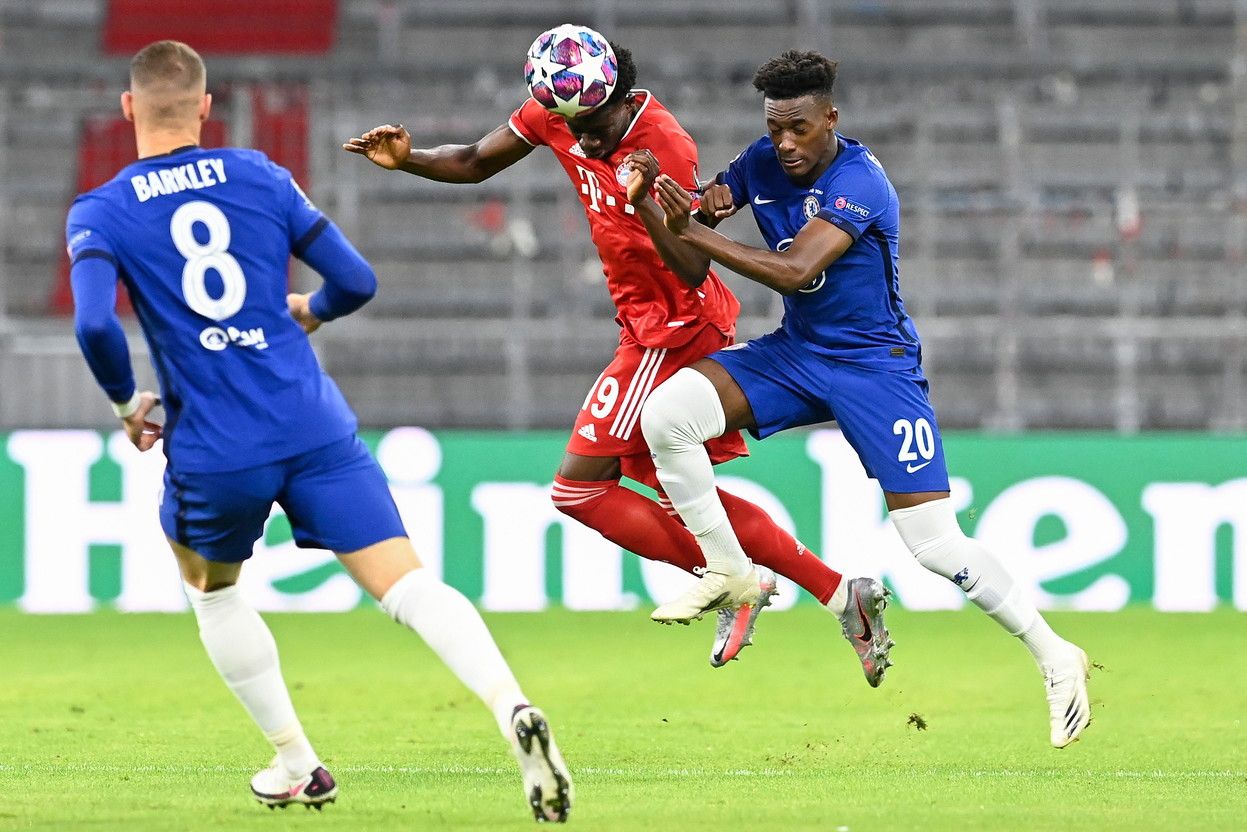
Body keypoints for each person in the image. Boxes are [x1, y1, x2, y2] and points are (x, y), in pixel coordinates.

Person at [67, 40, 572, 820]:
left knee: (212, 592)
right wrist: (312, 309)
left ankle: (297, 762)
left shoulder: (101, 210)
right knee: (408, 584)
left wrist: (124, 403)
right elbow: (356, 280)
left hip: (217, 443)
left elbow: (96, 324)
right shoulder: (261, 176)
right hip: (311, 423)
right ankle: (513, 707)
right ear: (207, 107)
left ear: (129, 107)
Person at [343, 27, 892, 681]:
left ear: (620, 98)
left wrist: (646, 203)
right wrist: (409, 159)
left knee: (579, 489)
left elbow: (691, 264)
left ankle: (736, 581)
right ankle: (835, 594)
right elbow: (473, 160)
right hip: (641, 325)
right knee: (675, 493)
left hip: (674, 326)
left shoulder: (664, 144)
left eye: (595, 126)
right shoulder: (558, 108)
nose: (583, 140)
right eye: (571, 126)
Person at [635, 50, 1092, 748]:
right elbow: (692, 259)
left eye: (798, 128)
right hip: (797, 354)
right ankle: (729, 570)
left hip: (875, 368)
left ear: (830, 118)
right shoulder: (758, 163)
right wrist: (657, 205)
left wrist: (691, 227)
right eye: (774, 128)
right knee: (667, 416)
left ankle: (1055, 656)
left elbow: (794, 270)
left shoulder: (859, 180)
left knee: (933, 544)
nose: (785, 143)